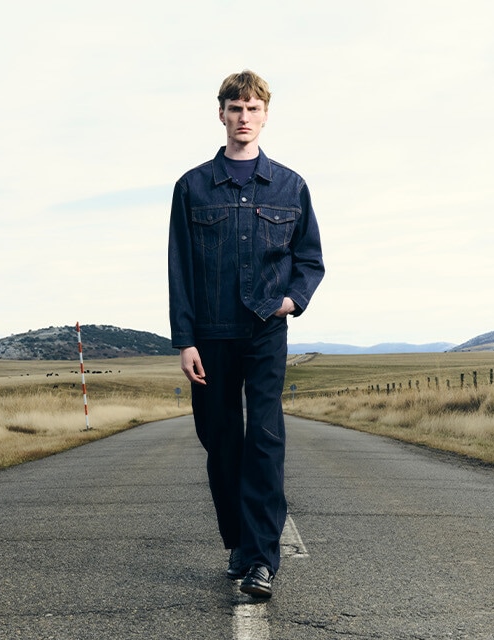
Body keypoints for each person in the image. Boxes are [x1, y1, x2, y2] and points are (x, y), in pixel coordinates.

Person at [167, 69, 324, 599]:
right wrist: (185, 341)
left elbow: (310, 260)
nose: (244, 118)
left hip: (264, 333)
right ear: (221, 113)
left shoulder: (290, 185)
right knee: (220, 442)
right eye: (235, 108)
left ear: (265, 115)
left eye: (253, 109)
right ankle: (237, 541)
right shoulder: (191, 187)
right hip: (209, 336)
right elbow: (180, 269)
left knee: (264, 439)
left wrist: (290, 301)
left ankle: (261, 559)